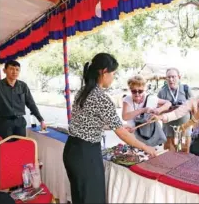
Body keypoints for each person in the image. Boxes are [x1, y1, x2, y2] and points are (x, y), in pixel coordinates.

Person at [63, 53, 157, 204]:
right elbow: (122, 135)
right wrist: (146, 147)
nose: (113, 77)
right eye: (113, 73)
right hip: (86, 154)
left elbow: (89, 121)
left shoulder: (83, 91)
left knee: (80, 197)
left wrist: (118, 127)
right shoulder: (101, 97)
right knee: (92, 198)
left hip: (72, 150)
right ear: (103, 71)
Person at [0, 60, 46, 139]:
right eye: (11, 69)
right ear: (4, 71)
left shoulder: (23, 86)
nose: (14, 72)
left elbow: (31, 104)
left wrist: (41, 120)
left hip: (20, 122)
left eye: (17, 69)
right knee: (7, 148)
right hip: (4, 122)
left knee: (21, 146)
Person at [157, 68, 193, 152]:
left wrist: (183, 107)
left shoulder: (186, 89)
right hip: (168, 132)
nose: (171, 79)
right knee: (170, 159)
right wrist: (171, 109)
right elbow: (158, 112)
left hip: (184, 131)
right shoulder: (162, 92)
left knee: (185, 157)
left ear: (179, 77)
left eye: (173, 77)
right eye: (168, 77)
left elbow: (194, 107)